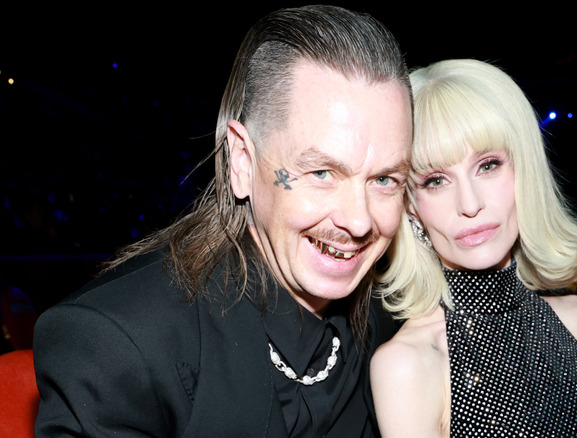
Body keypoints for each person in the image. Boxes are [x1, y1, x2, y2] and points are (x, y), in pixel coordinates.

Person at [32, 5, 412, 437]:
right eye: (322, 173)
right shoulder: (119, 346)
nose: (360, 221)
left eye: (384, 179)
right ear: (243, 162)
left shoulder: (395, 324)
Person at [370, 59, 577, 437]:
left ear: (525, 170)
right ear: (410, 207)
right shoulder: (407, 364)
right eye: (436, 180)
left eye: (488, 166)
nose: (469, 204)